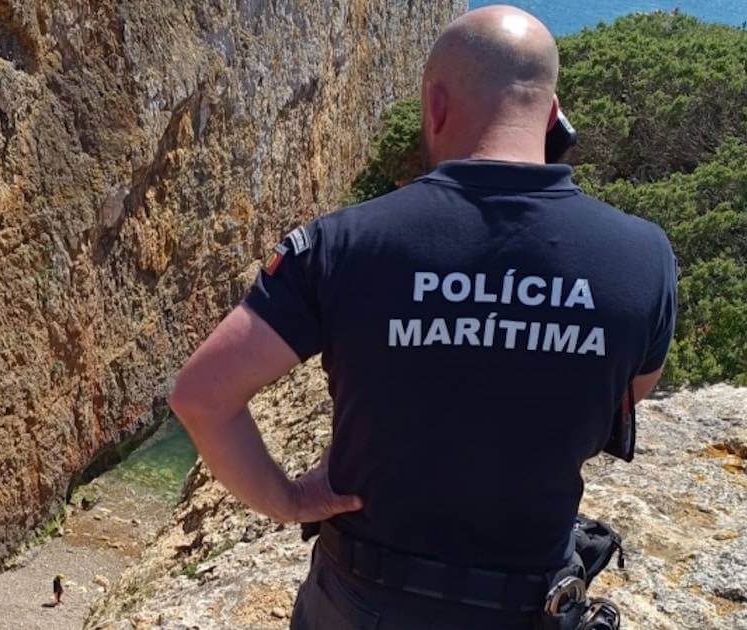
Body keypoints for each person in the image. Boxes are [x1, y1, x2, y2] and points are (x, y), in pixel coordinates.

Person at [168, 5, 677, 629]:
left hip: (360, 600)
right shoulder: (644, 257)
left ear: (434, 106)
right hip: (529, 607)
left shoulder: (342, 243)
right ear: (551, 114)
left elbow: (201, 395)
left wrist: (291, 499)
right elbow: (625, 399)